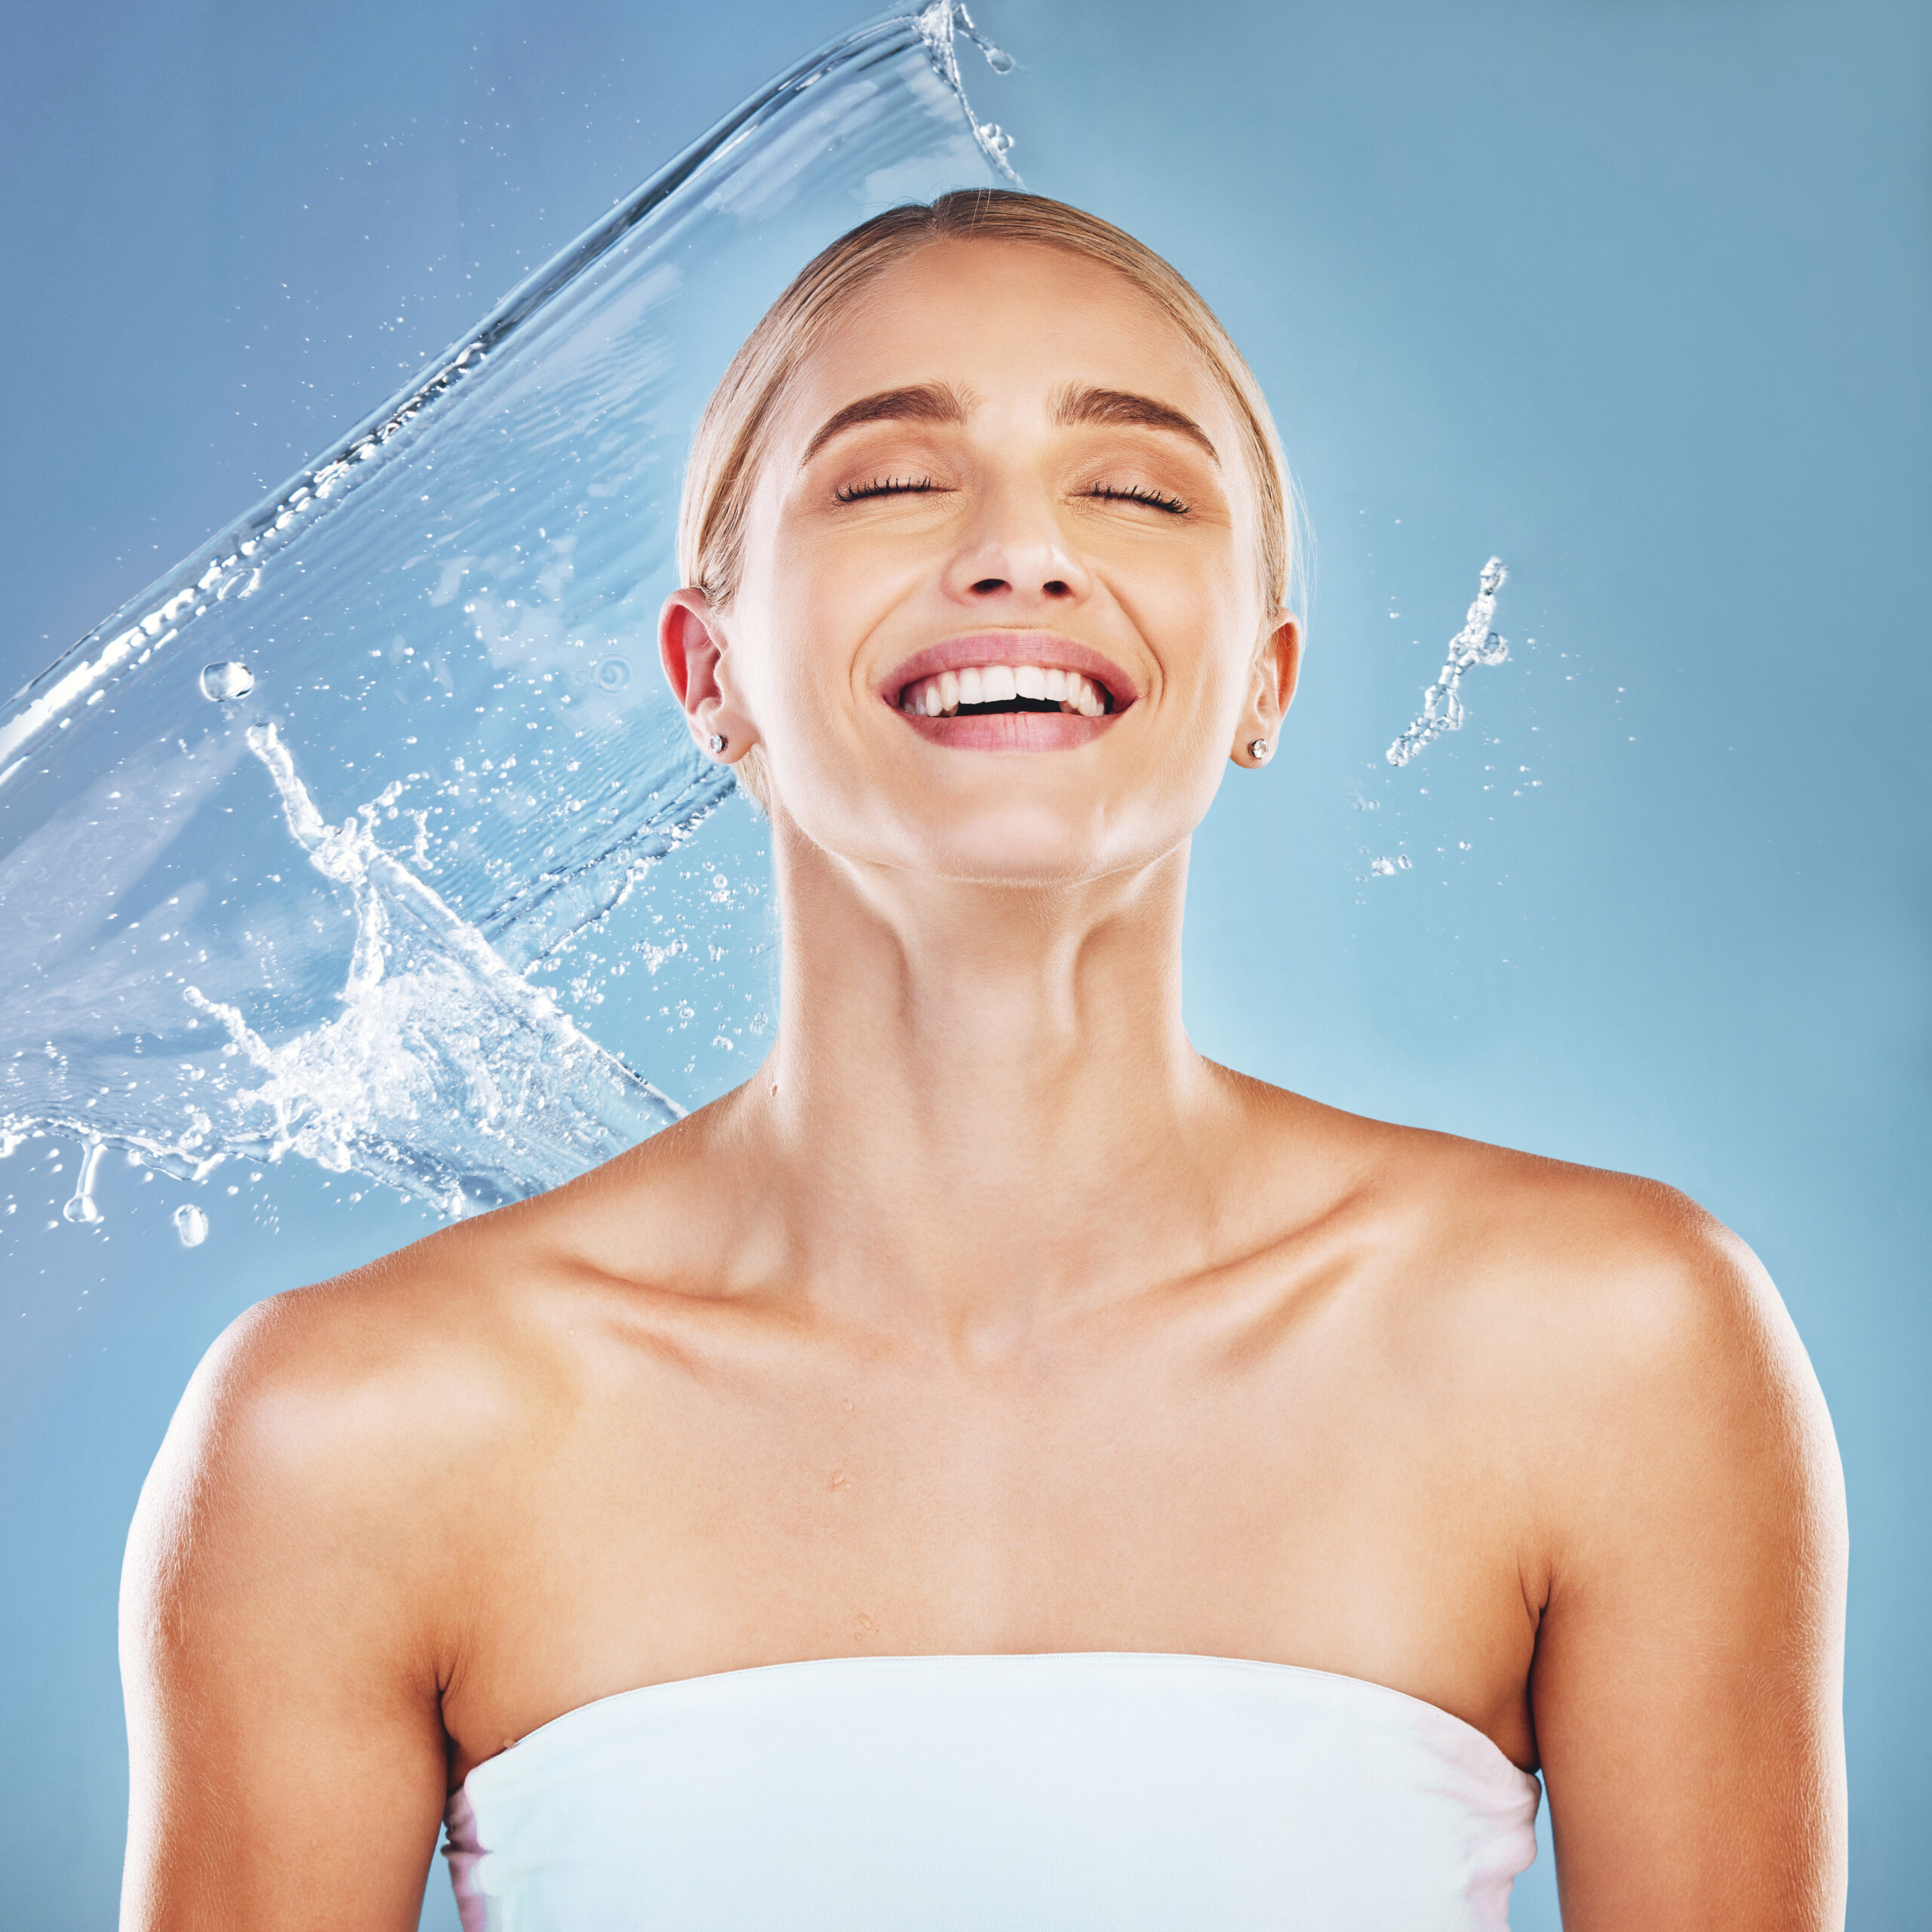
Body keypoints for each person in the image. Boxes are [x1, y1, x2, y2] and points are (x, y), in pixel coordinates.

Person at [119, 190, 1847, 1931]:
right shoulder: (354, 1430)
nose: (1020, 551)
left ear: (1262, 678)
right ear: (706, 672)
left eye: (1136, 489)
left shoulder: (1607, 1349)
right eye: (887, 482)